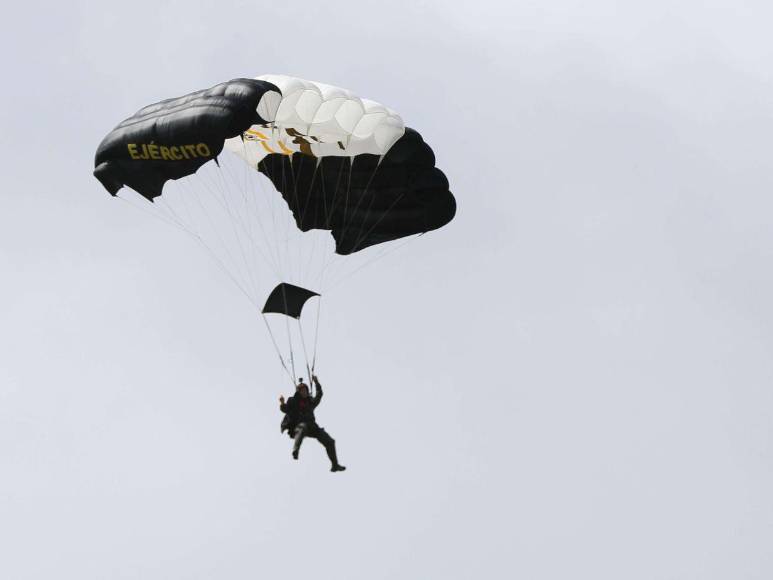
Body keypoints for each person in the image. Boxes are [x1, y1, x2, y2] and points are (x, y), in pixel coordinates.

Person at [279, 375, 346, 472]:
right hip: (298, 427)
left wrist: (317, 383)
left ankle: (335, 465)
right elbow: (285, 409)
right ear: (299, 392)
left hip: (312, 427)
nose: (304, 392)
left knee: (330, 441)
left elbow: (319, 395)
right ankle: (295, 450)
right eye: (302, 391)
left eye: (306, 390)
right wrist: (282, 402)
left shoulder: (310, 402)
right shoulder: (293, 401)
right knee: (302, 427)